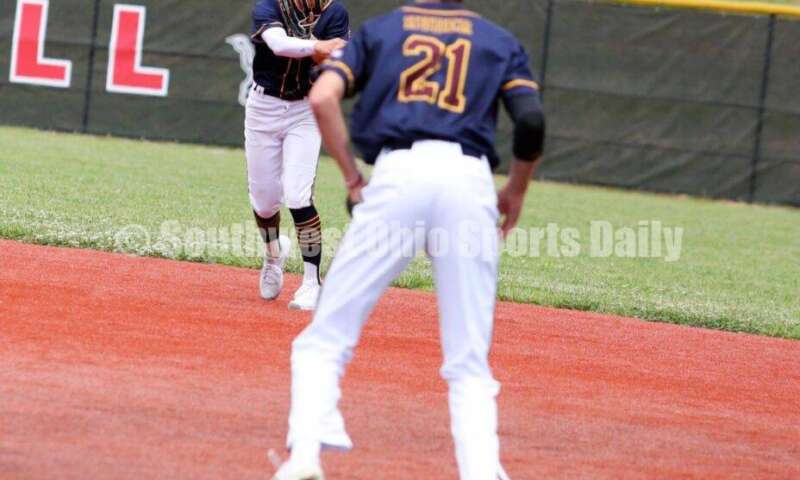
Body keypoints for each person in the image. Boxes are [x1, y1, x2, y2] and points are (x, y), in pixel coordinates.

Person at [272, 0, 545, 478]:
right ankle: (481, 470)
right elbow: (531, 121)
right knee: (468, 358)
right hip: (469, 181)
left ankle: (306, 456)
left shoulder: (382, 31)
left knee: (327, 336)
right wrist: (516, 190)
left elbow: (321, 98)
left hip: (399, 173)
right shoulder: (499, 41)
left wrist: (354, 177)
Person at [246, 0, 349, 310]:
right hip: (264, 107)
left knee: (298, 194)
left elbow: (334, 60)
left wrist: (328, 58)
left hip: (304, 109)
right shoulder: (269, 6)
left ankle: (311, 282)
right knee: (264, 201)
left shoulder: (335, 12)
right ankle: (274, 255)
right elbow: (278, 44)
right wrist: (319, 46)